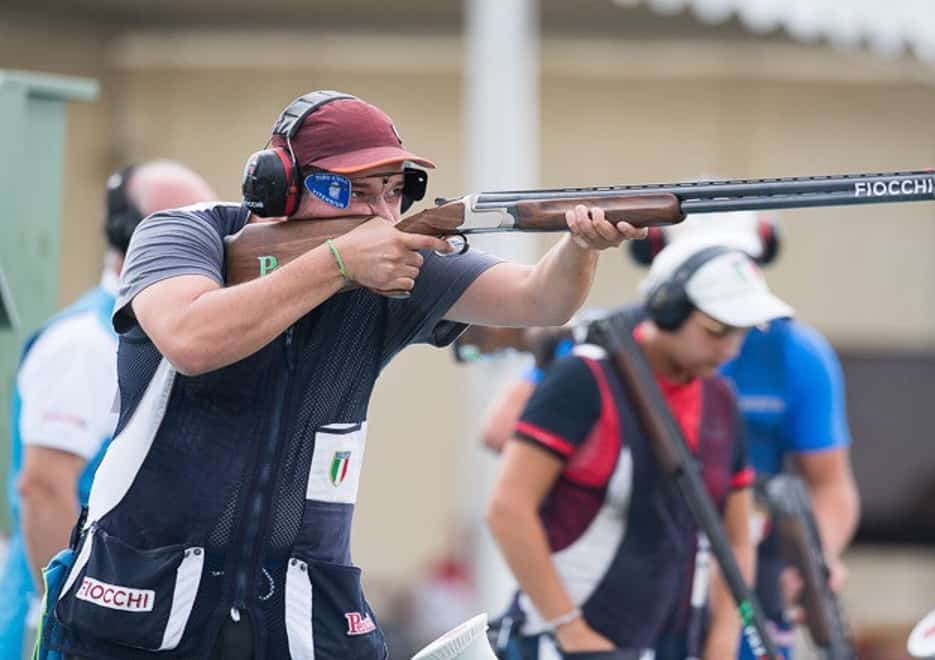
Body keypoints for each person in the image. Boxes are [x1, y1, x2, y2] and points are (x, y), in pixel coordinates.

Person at [38, 90, 645, 660]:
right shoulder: (184, 233)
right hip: (137, 611)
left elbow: (538, 301)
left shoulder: (394, 262)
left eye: (396, 190)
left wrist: (579, 245)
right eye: (355, 190)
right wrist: (336, 264)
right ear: (278, 186)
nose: (381, 211)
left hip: (301, 617)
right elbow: (192, 340)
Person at [486, 238, 796, 659]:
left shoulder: (721, 402)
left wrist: (722, 640)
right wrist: (569, 629)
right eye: (716, 330)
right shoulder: (585, 378)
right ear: (667, 310)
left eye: (741, 331)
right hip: (568, 648)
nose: (729, 348)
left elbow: (736, 537)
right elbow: (508, 509)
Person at [0, 161, 216, 659]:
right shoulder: (84, 343)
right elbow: (44, 488)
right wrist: (67, 620)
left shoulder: (157, 333)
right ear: (133, 237)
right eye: (181, 224)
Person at [630, 215, 860, 660]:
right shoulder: (615, 348)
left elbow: (830, 482)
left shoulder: (798, 352)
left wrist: (815, 559)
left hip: (753, 565)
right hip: (641, 562)